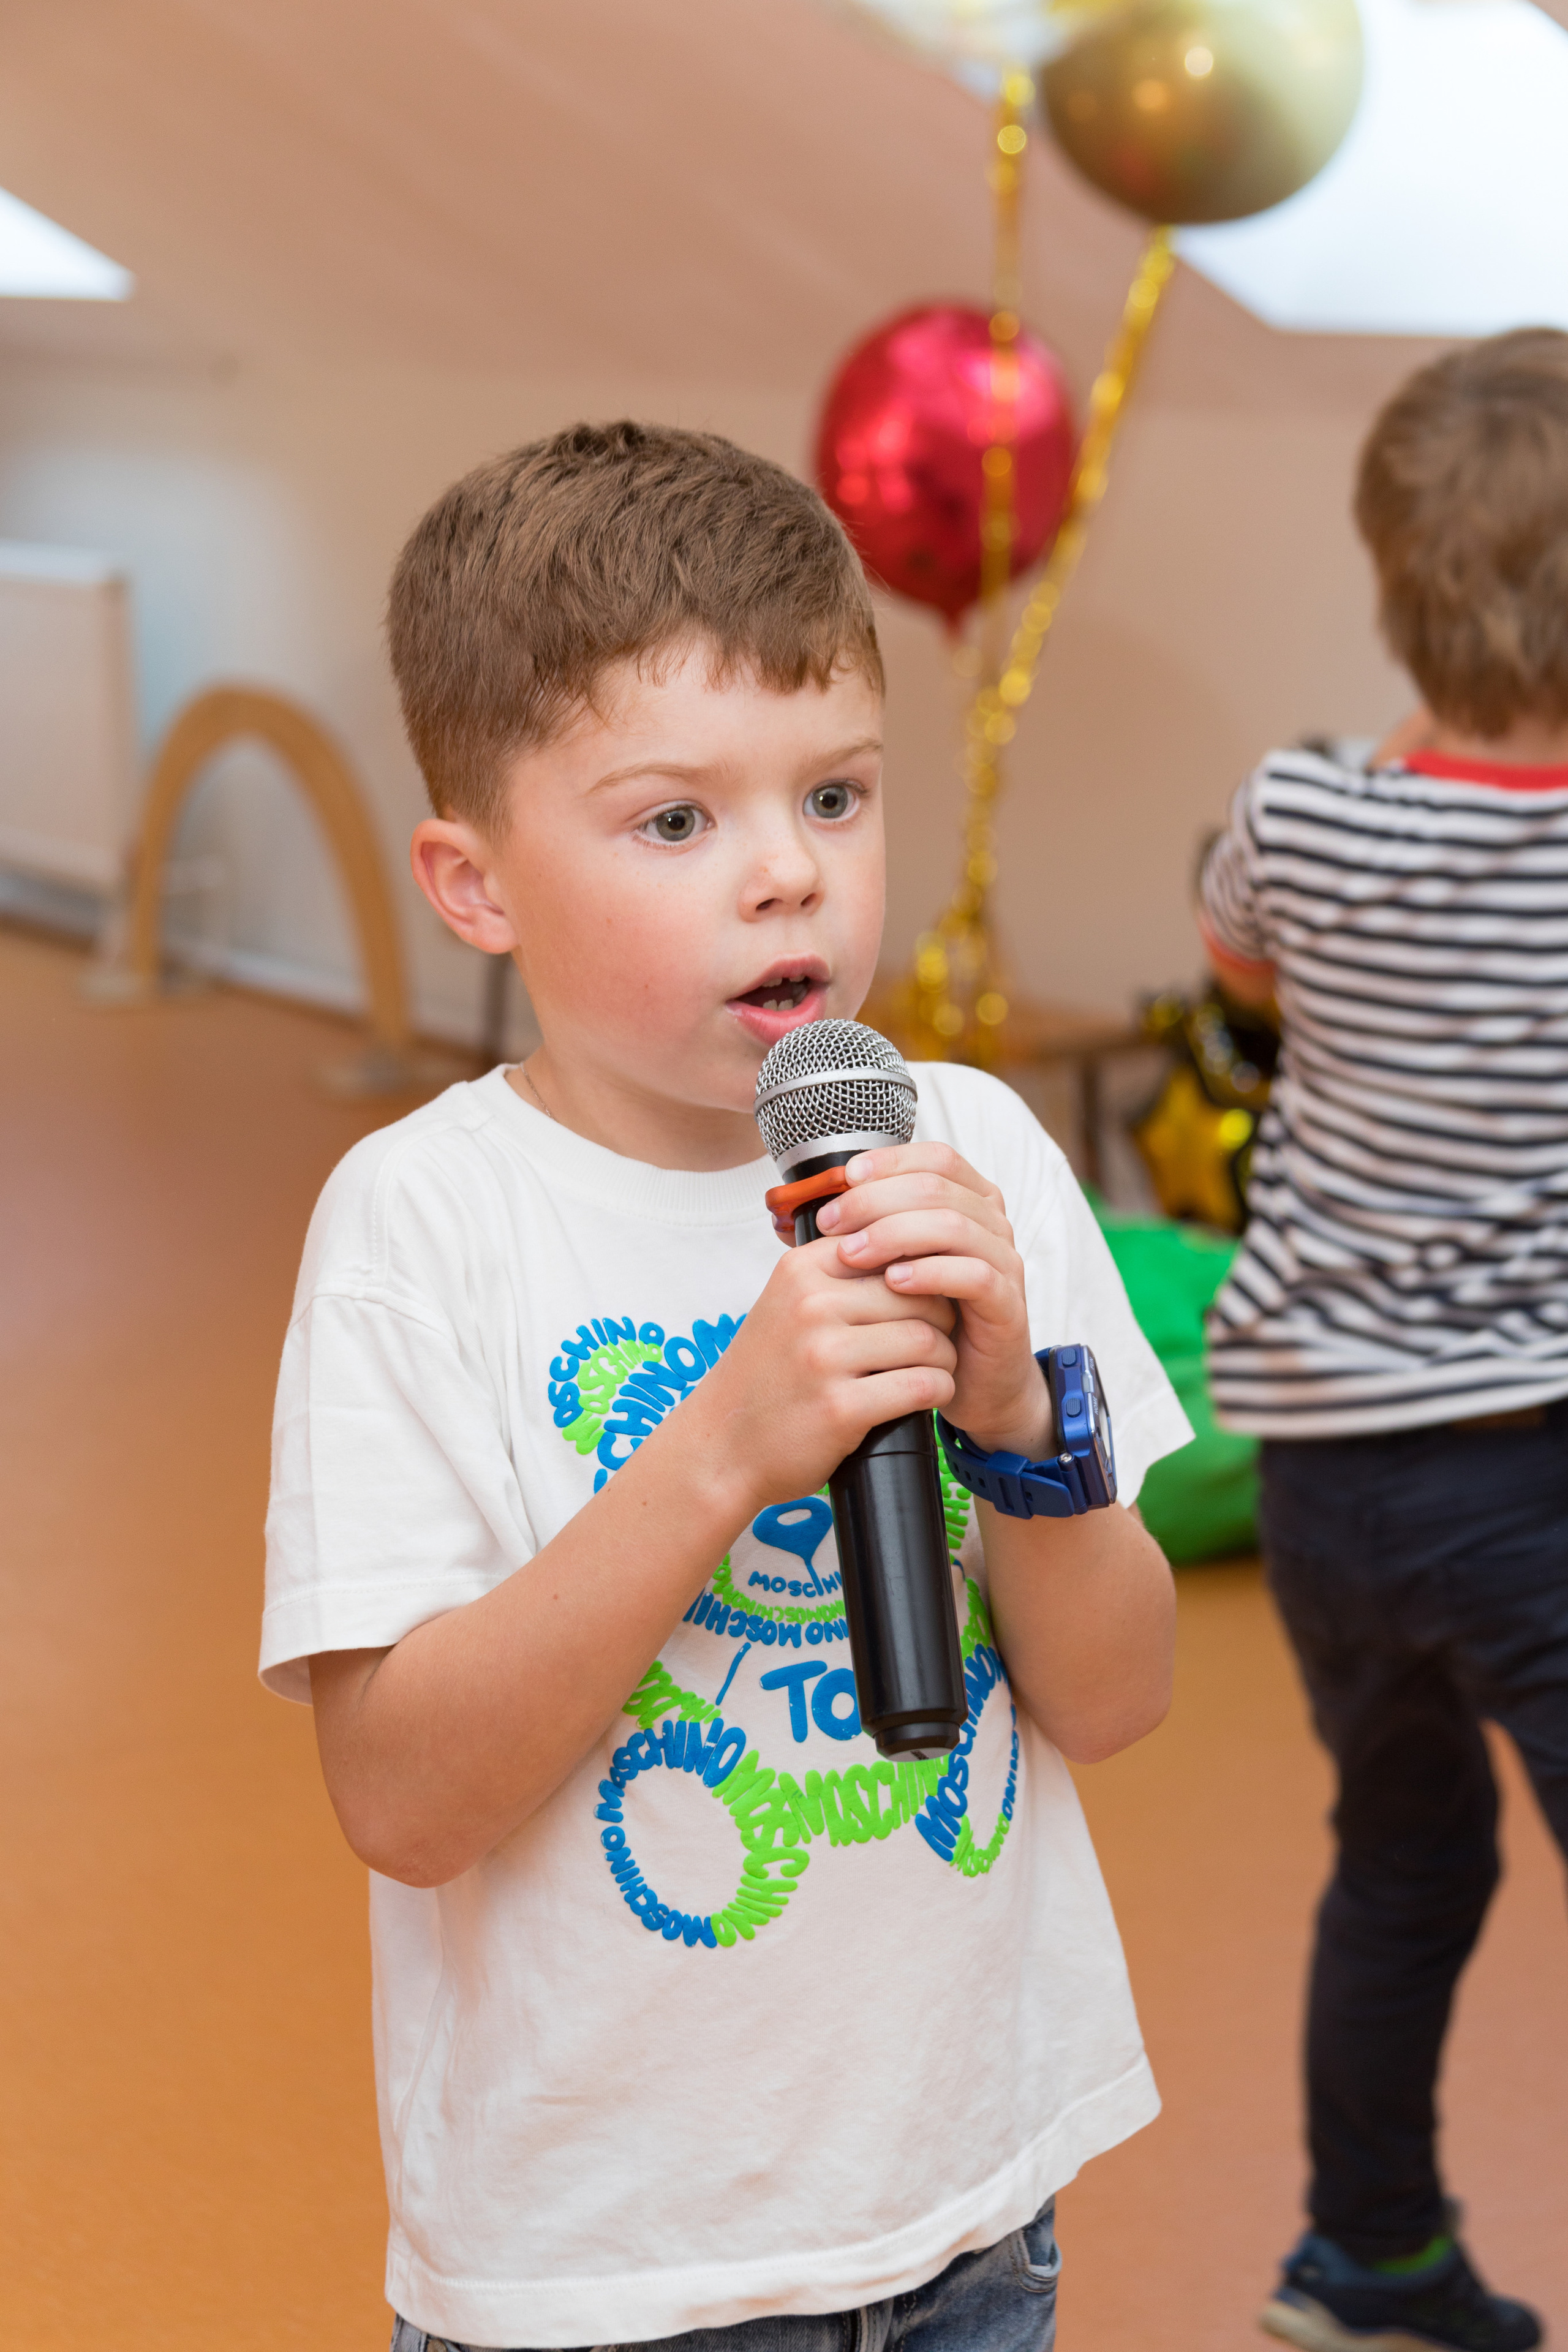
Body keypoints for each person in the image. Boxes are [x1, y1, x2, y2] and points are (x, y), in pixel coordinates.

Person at [261, 421, 1193, 2352]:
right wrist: (722, 1456)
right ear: (476, 880)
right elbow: (402, 1797)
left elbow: (1114, 1696)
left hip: (967, 2213)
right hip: (609, 2271)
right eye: (676, 822)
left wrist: (1023, 1432)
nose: (788, 878)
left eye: (836, 797)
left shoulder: (977, 1149)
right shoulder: (426, 1224)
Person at [1199, 330, 1568, 2352]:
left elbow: (1235, 969)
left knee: (1406, 1865)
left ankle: (1370, 2256)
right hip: (1535, 1464)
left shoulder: (1297, 813)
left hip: (1330, 1475)